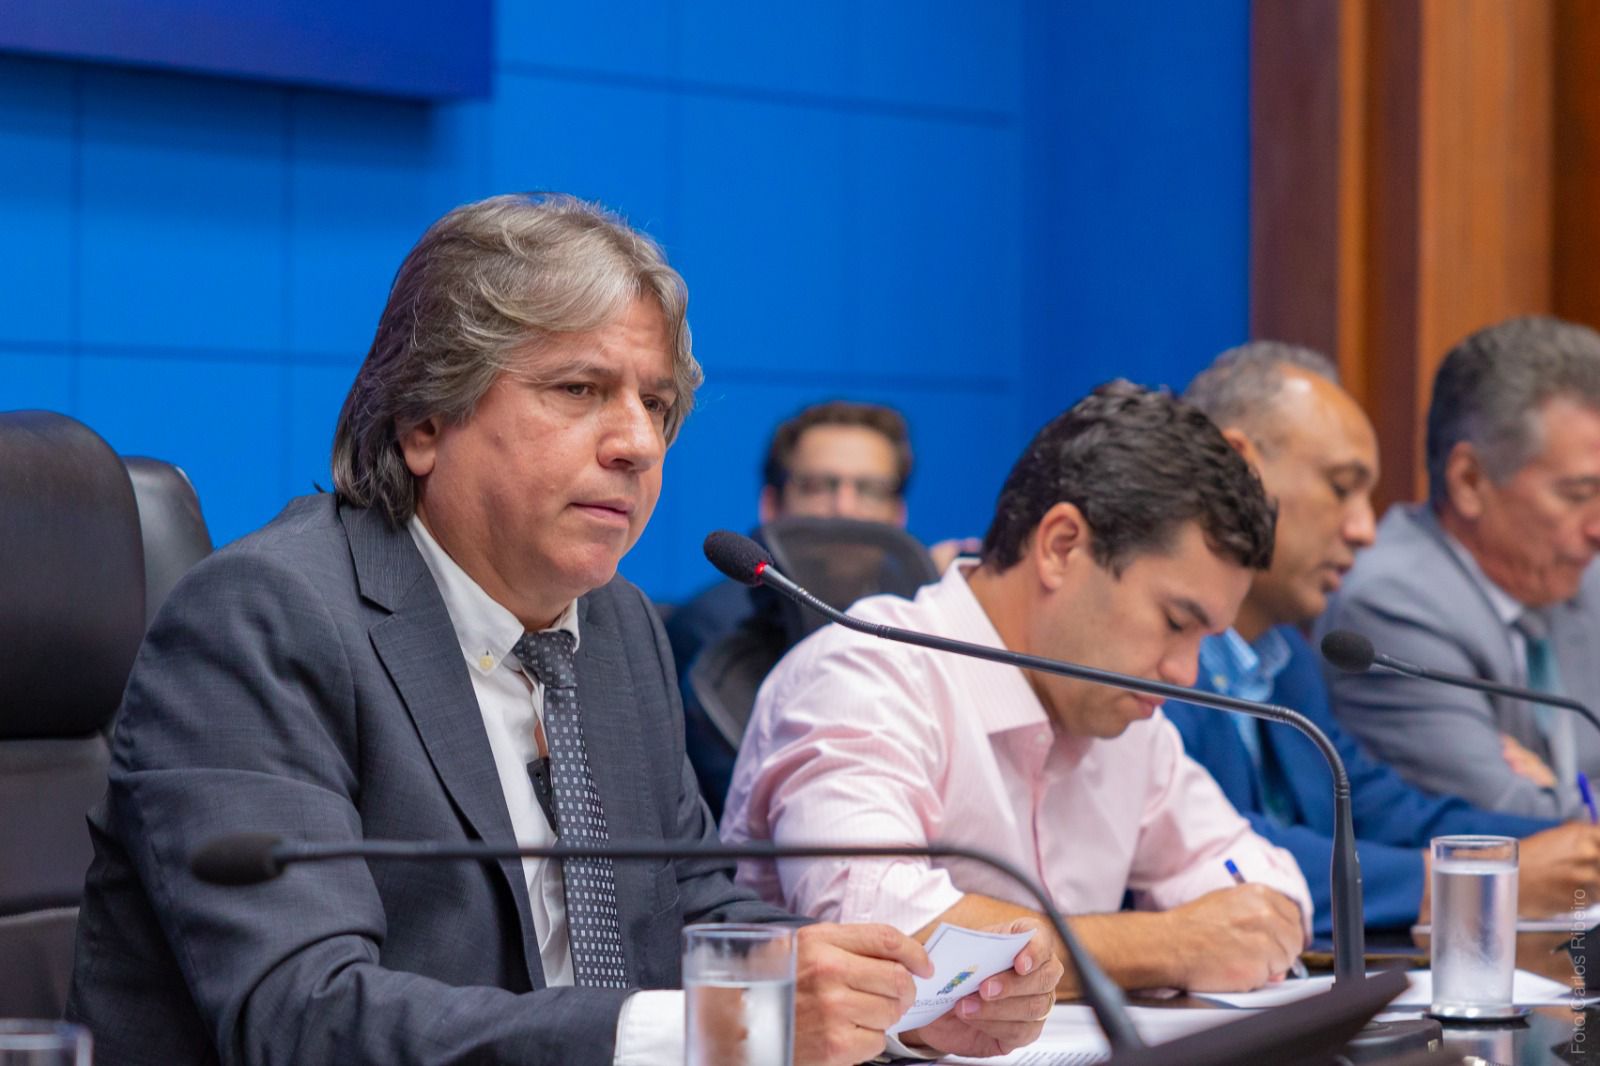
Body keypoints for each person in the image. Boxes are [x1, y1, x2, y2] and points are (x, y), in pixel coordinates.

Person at [65, 194, 1058, 1066]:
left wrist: (898, 1003)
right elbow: (305, 1018)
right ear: (424, 423)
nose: (637, 442)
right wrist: (718, 1028)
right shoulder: (263, 620)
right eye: (579, 390)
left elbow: (695, 912)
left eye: (656, 403)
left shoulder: (615, 624)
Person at [724, 382, 1314, 995]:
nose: (1186, 673)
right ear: (1061, 547)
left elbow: (1264, 883)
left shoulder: (1121, 718)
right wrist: (1170, 944)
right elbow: (881, 939)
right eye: (1174, 621)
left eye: (1206, 637)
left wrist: (1239, 923)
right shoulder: (863, 673)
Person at [1166, 341, 1600, 936]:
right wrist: (1464, 878)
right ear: (1242, 469)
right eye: (1341, 487)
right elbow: (1213, 853)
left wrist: (1567, 846)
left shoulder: (1285, 657)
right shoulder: (1154, 657)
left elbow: (1383, 812)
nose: (1365, 529)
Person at [1321, 316, 1600, 820]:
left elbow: (1559, 813)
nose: (1597, 528)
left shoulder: (1583, 574)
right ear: (1470, 481)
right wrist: (1564, 802)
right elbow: (1511, 821)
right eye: (1578, 494)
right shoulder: (1392, 604)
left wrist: (1564, 795)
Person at [668, 401, 974, 814]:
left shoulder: (925, 617)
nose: (844, 508)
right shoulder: (711, 631)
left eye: (869, 490)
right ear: (772, 505)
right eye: (818, 486)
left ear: (898, 514)